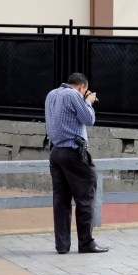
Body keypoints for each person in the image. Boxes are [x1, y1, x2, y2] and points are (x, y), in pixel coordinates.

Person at [45, 73, 109, 254]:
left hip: (55, 152)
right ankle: (86, 243)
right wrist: (88, 101)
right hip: (73, 153)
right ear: (82, 87)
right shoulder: (73, 95)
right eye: (84, 91)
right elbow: (89, 120)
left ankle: (62, 245)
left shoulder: (52, 94)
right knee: (86, 197)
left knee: (61, 199)